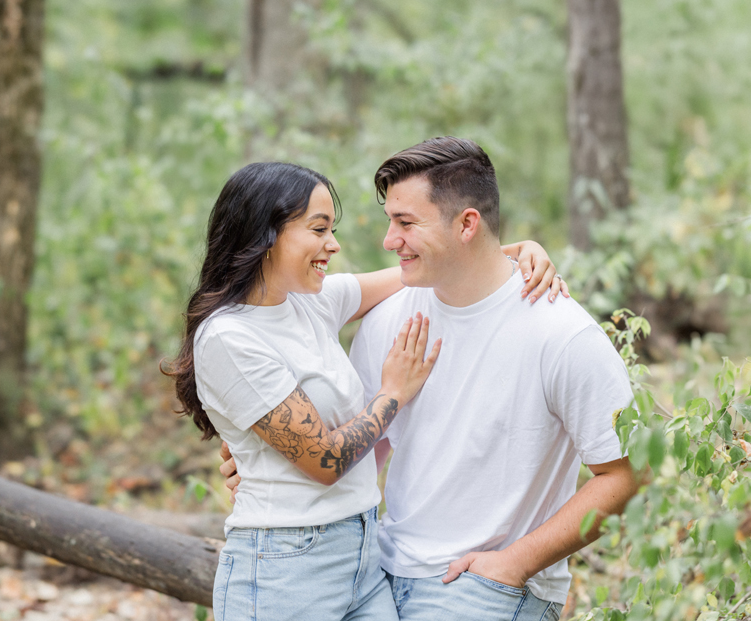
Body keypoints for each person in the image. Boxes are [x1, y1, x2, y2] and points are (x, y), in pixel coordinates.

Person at [164, 161, 567, 621]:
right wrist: (392, 394)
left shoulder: (310, 302)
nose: (332, 245)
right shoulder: (229, 337)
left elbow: (424, 268)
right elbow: (324, 461)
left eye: (331, 229)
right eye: (318, 229)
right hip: (286, 568)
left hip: (362, 558)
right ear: (265, 235)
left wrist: (512, 251)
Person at [347, 137, 639, 620]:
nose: (388, 240)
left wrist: (516, 564)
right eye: (389, 221)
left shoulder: (561, 333)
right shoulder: (387, 319)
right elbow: (361, 451)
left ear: (467, 224)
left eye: (405, 222)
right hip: (381, 572)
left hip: (489, 588)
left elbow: (626, 475)